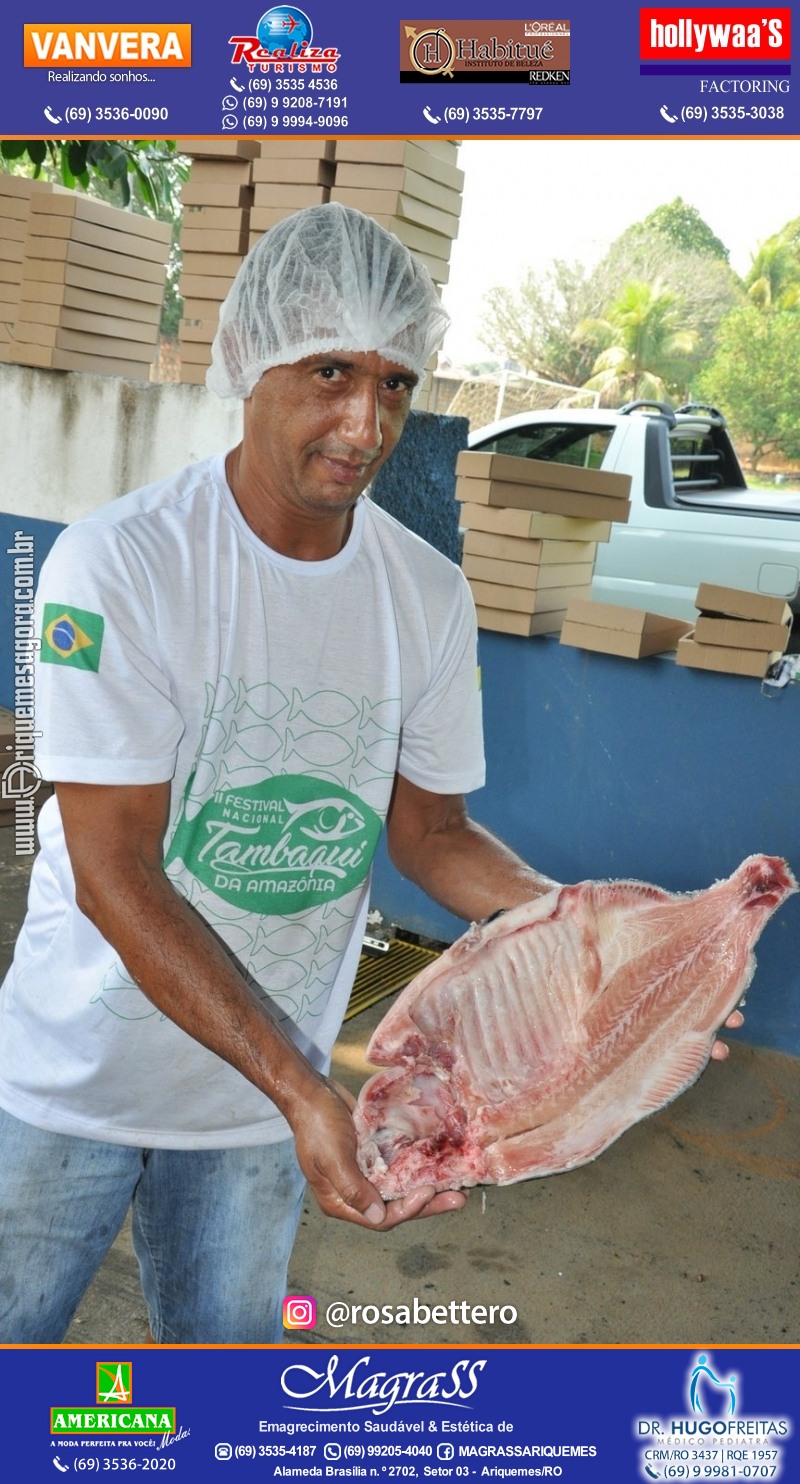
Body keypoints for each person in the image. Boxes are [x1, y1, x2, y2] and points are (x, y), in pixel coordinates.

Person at [0, 204, 741, 1345]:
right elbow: (110, 867)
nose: (364, 421)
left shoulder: (426, 595)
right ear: (247, 361)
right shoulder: (123, 567)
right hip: (72, 1080)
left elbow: (433, 835)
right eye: (330, 370)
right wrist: (306, 1089)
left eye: (394, 382)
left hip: (259, 1110)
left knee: (226, 1410)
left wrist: (616, 959)